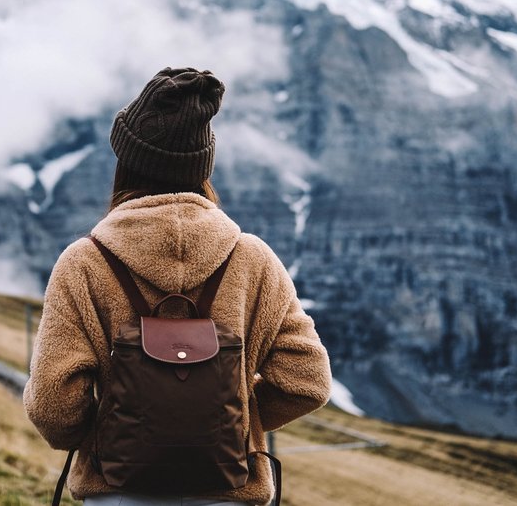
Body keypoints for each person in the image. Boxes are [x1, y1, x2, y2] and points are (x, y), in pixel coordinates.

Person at [23, 67, 332, 505]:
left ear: (127, 162)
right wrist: (230, 421)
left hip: (117, 495)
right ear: (201, 167)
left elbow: (53, 408)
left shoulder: (84, 263)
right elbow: (308, 382)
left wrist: (121, 433)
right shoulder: (253, 260)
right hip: (228, 493)